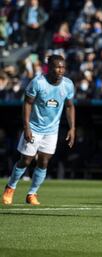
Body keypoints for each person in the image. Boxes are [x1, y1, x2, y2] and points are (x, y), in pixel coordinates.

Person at [2, 54, 75, 205]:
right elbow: (27, 103)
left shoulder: (67, 84)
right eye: (57, 67)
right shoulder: (38, 82)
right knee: (26, 160)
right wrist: (26, 126)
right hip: (34, 127)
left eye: (63, 67)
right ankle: (10, 187)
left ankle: (32, 193)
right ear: (49, 68)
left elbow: (69, 106)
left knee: (44, 161)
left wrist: (72, 128)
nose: (61, 70)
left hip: (52, 130)